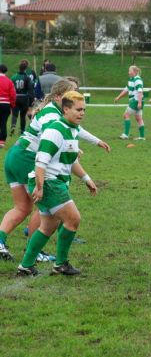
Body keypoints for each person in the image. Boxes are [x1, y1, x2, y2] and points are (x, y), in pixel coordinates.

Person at [0, 80, 110, 263]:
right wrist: (70, 147)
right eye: (71, 95)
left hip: (15, 156)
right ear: (59, 97)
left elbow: (75, 129)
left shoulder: (54, 111)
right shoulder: (52, 115)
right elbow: (52, 135)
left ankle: (1, 241)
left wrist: (96, 141)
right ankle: (34, 251)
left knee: (22, 207)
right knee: (45, 204)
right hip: (28, 158)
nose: (75, 99)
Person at [16, 91, 99, 276]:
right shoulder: (55, 130)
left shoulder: (72, 129)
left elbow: (69, 161)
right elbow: (40, 161)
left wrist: (87, 179)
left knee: (47, 227)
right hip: (49, 182)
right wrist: (39, 186)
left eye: (84, 110)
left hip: (54, 182)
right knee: (73, 219)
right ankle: (61, 264)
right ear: (65, 109)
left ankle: (26, 265)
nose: (82, 113)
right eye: (78, 109)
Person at [114, 66, 145, 140]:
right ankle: (142, 137)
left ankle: (125, 134)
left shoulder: (137, 80)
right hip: (137, 101)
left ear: (134, 72)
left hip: (136, 101)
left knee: (126, 115)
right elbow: (126, 90)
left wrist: (139, 102)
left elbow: (140, 91)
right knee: (139, 118)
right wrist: (118, 97)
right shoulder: (131, 80)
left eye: (129, 71)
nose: (128, 72)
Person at [10, 61, 35, 136]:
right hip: (24, 98)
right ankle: (22, 130)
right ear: (25, 69)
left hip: (16, 97)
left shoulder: (14, 77)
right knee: (23, 115)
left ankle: (13, 126)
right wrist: (31, 99)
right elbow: (30, 89)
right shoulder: (27, 77)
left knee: (14, 114)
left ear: (19, 68)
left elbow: (11, 88)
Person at [0, 64, 16, 148]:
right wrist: (12, 105)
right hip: (6, 104)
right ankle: (2, 141)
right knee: (3, 123)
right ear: (6, 71)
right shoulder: (9, 81)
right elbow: (13, 94)